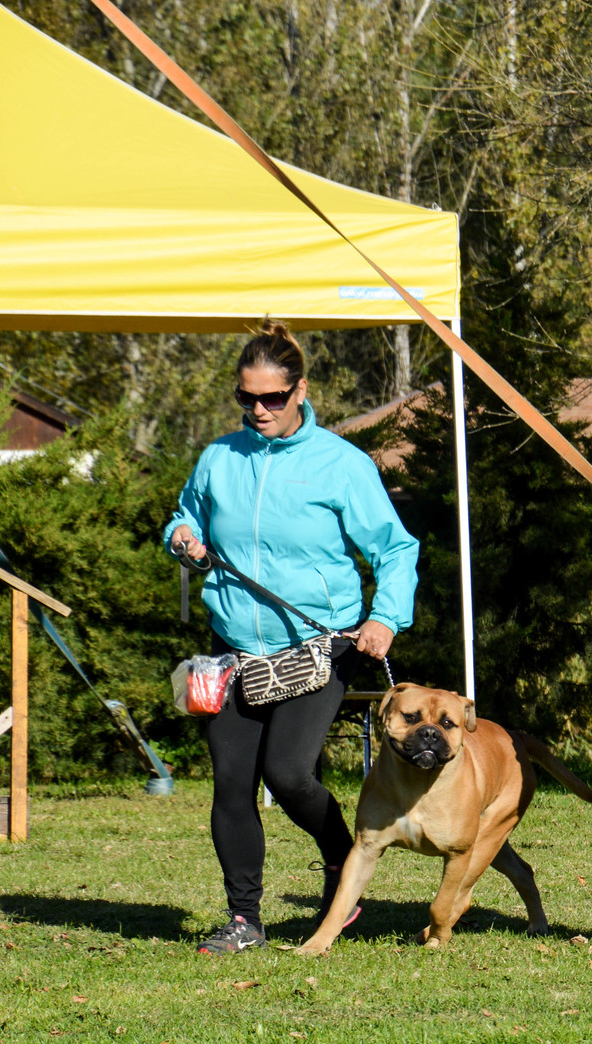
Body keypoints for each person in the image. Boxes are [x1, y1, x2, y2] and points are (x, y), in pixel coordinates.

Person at [165, 323, 420, 954]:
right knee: (231, 781)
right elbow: (187, 514)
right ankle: (244, 919)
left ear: (300, 390)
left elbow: (395, 549)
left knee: (288, 773)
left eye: (272, 398)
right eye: (246, 398)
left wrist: (384, 617)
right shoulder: (219, 458)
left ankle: (341, 858)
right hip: (235, 650)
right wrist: (181, 537)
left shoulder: (340, 465)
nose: (258, 410)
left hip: (317, 647)